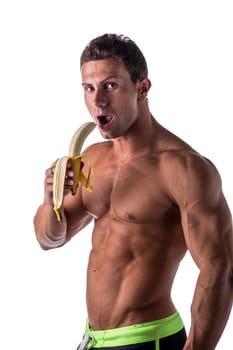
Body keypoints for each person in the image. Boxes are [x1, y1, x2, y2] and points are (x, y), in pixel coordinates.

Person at [33, 34, 233, 350]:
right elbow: (49, 239)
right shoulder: (92, 159)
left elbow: (220, 269)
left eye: (110, 85)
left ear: (142, 88)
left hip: (149, 339)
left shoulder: (184, 169)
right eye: (89, 88)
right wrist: (51, 200)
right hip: (93, 340)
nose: (98, 100)